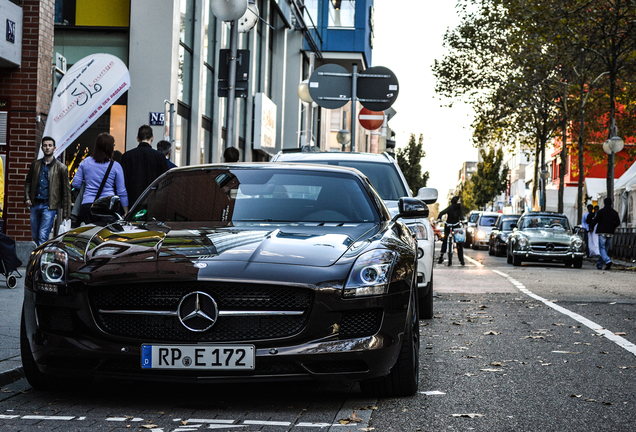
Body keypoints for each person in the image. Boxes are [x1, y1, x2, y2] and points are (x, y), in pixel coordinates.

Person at [72, 133, 129, 225]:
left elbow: (76, 183)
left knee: (88, 235)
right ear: (110, 148)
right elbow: (121, 191)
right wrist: (126, 210)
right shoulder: (115, 166)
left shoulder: (85, 162)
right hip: (107, 207)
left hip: (87, 205)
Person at [24, 136, 72, 245]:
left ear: (54, 148)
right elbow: (28, 182)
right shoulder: (35, 165)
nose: (47, 148)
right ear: (42, 148)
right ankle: (45, 254)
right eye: (45, 145)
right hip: (35, 204)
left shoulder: (61, 168)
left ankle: (42, 261)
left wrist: (66, 213)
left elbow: (66, 191)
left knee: (42, 235)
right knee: (35, 235)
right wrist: (27, 198)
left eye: (50, 145)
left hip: (49, 206)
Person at [120, 125, 169, 206]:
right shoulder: (159, 157)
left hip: (133, 200)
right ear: (152, 138)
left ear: (137, 138)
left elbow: (123, 182)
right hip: (154, 200)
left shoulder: (127, 156)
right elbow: (164, 181)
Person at [590, 197, 621, 270]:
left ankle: (607, 261)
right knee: (605, 249)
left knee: (602, 248)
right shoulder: (614, 213)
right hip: (610, 232)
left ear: (604, 203)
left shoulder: (601, 212)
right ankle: (600, 264)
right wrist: (612, 226)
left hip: (602, 232)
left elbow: (596, 220)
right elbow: (618, 222)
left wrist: (591, 227)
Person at [437, 196, 465, 266]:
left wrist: (462, 220)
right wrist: (439, 219)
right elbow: (442, 212)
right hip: (448, 225)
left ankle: (461, 260)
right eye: (458, 201)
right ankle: (441, 256)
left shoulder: (459, 208)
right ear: (455, 201)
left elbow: (461, 215)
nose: (460, 202)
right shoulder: (450, 208)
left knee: (459, 242)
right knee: (445, 240)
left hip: (456, 225)